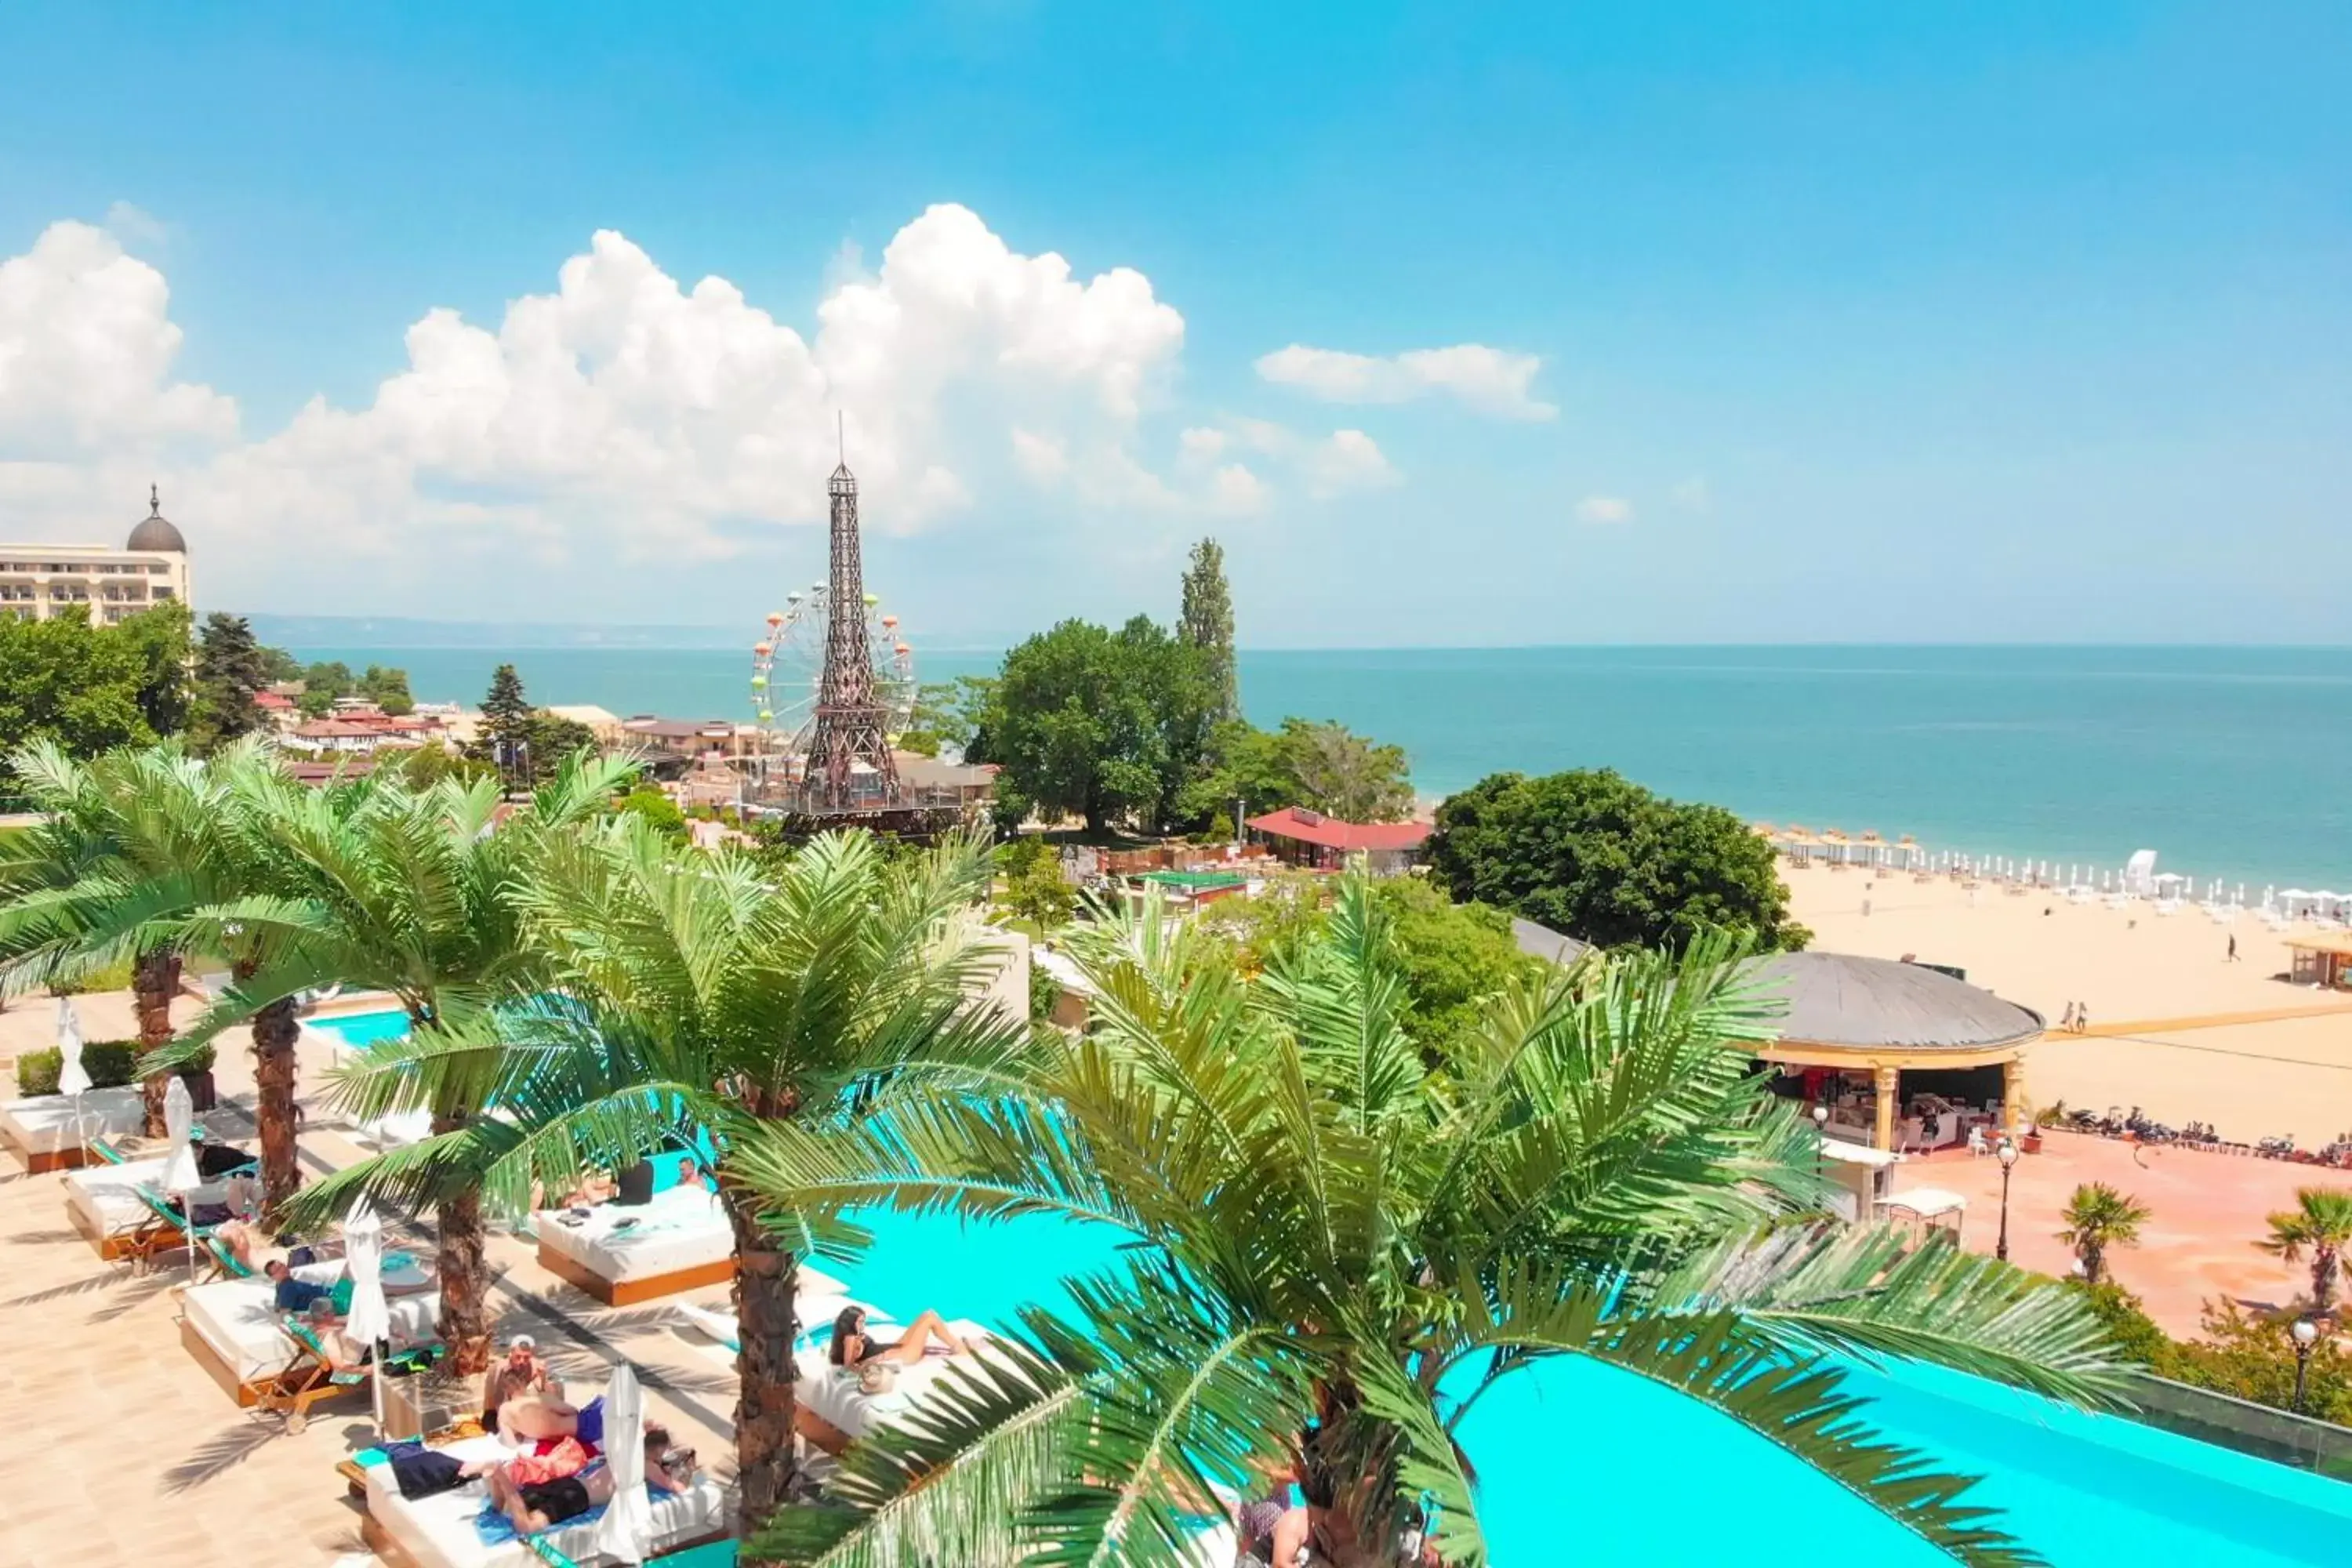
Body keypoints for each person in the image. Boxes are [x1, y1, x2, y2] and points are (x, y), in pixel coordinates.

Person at [485, 1425, 694, 1535]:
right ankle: (501, 1476)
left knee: (503, 1507)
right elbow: (677, 1488)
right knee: (527, 1527)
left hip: (571, 1483)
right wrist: (688, 1468)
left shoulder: (626, 1452)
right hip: (577, 1497)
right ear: (657, 1452)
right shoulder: (646, 1464)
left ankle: (497, 1477)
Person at [829, 1303, 970, 1368]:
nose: (863, 1325)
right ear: (851, 1322)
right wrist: (879, 1360)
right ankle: (960, 1349)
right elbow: (850, 1365)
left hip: (894, 1348)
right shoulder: (851, 1338)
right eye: (860, 1322)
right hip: (901, 1357)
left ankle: (957, 1345)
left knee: (928, 1314)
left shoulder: (853, 1335)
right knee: (930, 1319)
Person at [484, 1334, 561, 1425]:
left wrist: (543, 1378)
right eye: (518, 1357)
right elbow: (499, 1403)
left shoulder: (533, 1365)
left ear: (531, 1356)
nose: (522, 1361)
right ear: (511, 1353)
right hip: (494, 1411)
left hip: (515, 1407)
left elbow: (546, 1393)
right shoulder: (501, 1369)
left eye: (526, 1358)